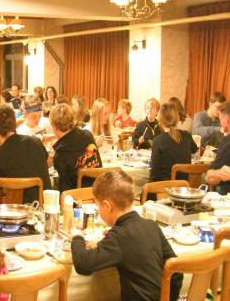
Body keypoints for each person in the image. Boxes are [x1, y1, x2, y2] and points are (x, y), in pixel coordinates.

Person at [71, 171, 182, 301]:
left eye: (98, 206)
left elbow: (83, 264)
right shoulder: (151, 225)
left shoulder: (119, 236)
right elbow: (176, 271)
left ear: (107, 206)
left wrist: (77, 237)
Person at [0, 104, 51, 203]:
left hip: (16, 214)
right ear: (15, 125)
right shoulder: (36, 142)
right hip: (45, 207)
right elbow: (47, 165)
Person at [49, 103, 102, 191]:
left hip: (77, 198)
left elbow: (65, 189)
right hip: (98, 191)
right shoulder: (88, 135)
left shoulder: (61, 154)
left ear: (54, 126)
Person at [150, 103, 197, 182]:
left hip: (164, 189)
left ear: (160, 120)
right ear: (177, 118)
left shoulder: (158, 141)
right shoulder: (186, 136)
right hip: (184, 187)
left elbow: (154, 173)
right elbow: (195, 149)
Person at [206, 102, 230, 194]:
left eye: (221, 119)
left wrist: (219, 173)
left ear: (227, 119)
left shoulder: (227, 143)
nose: (220, 123)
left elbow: (209, 178)